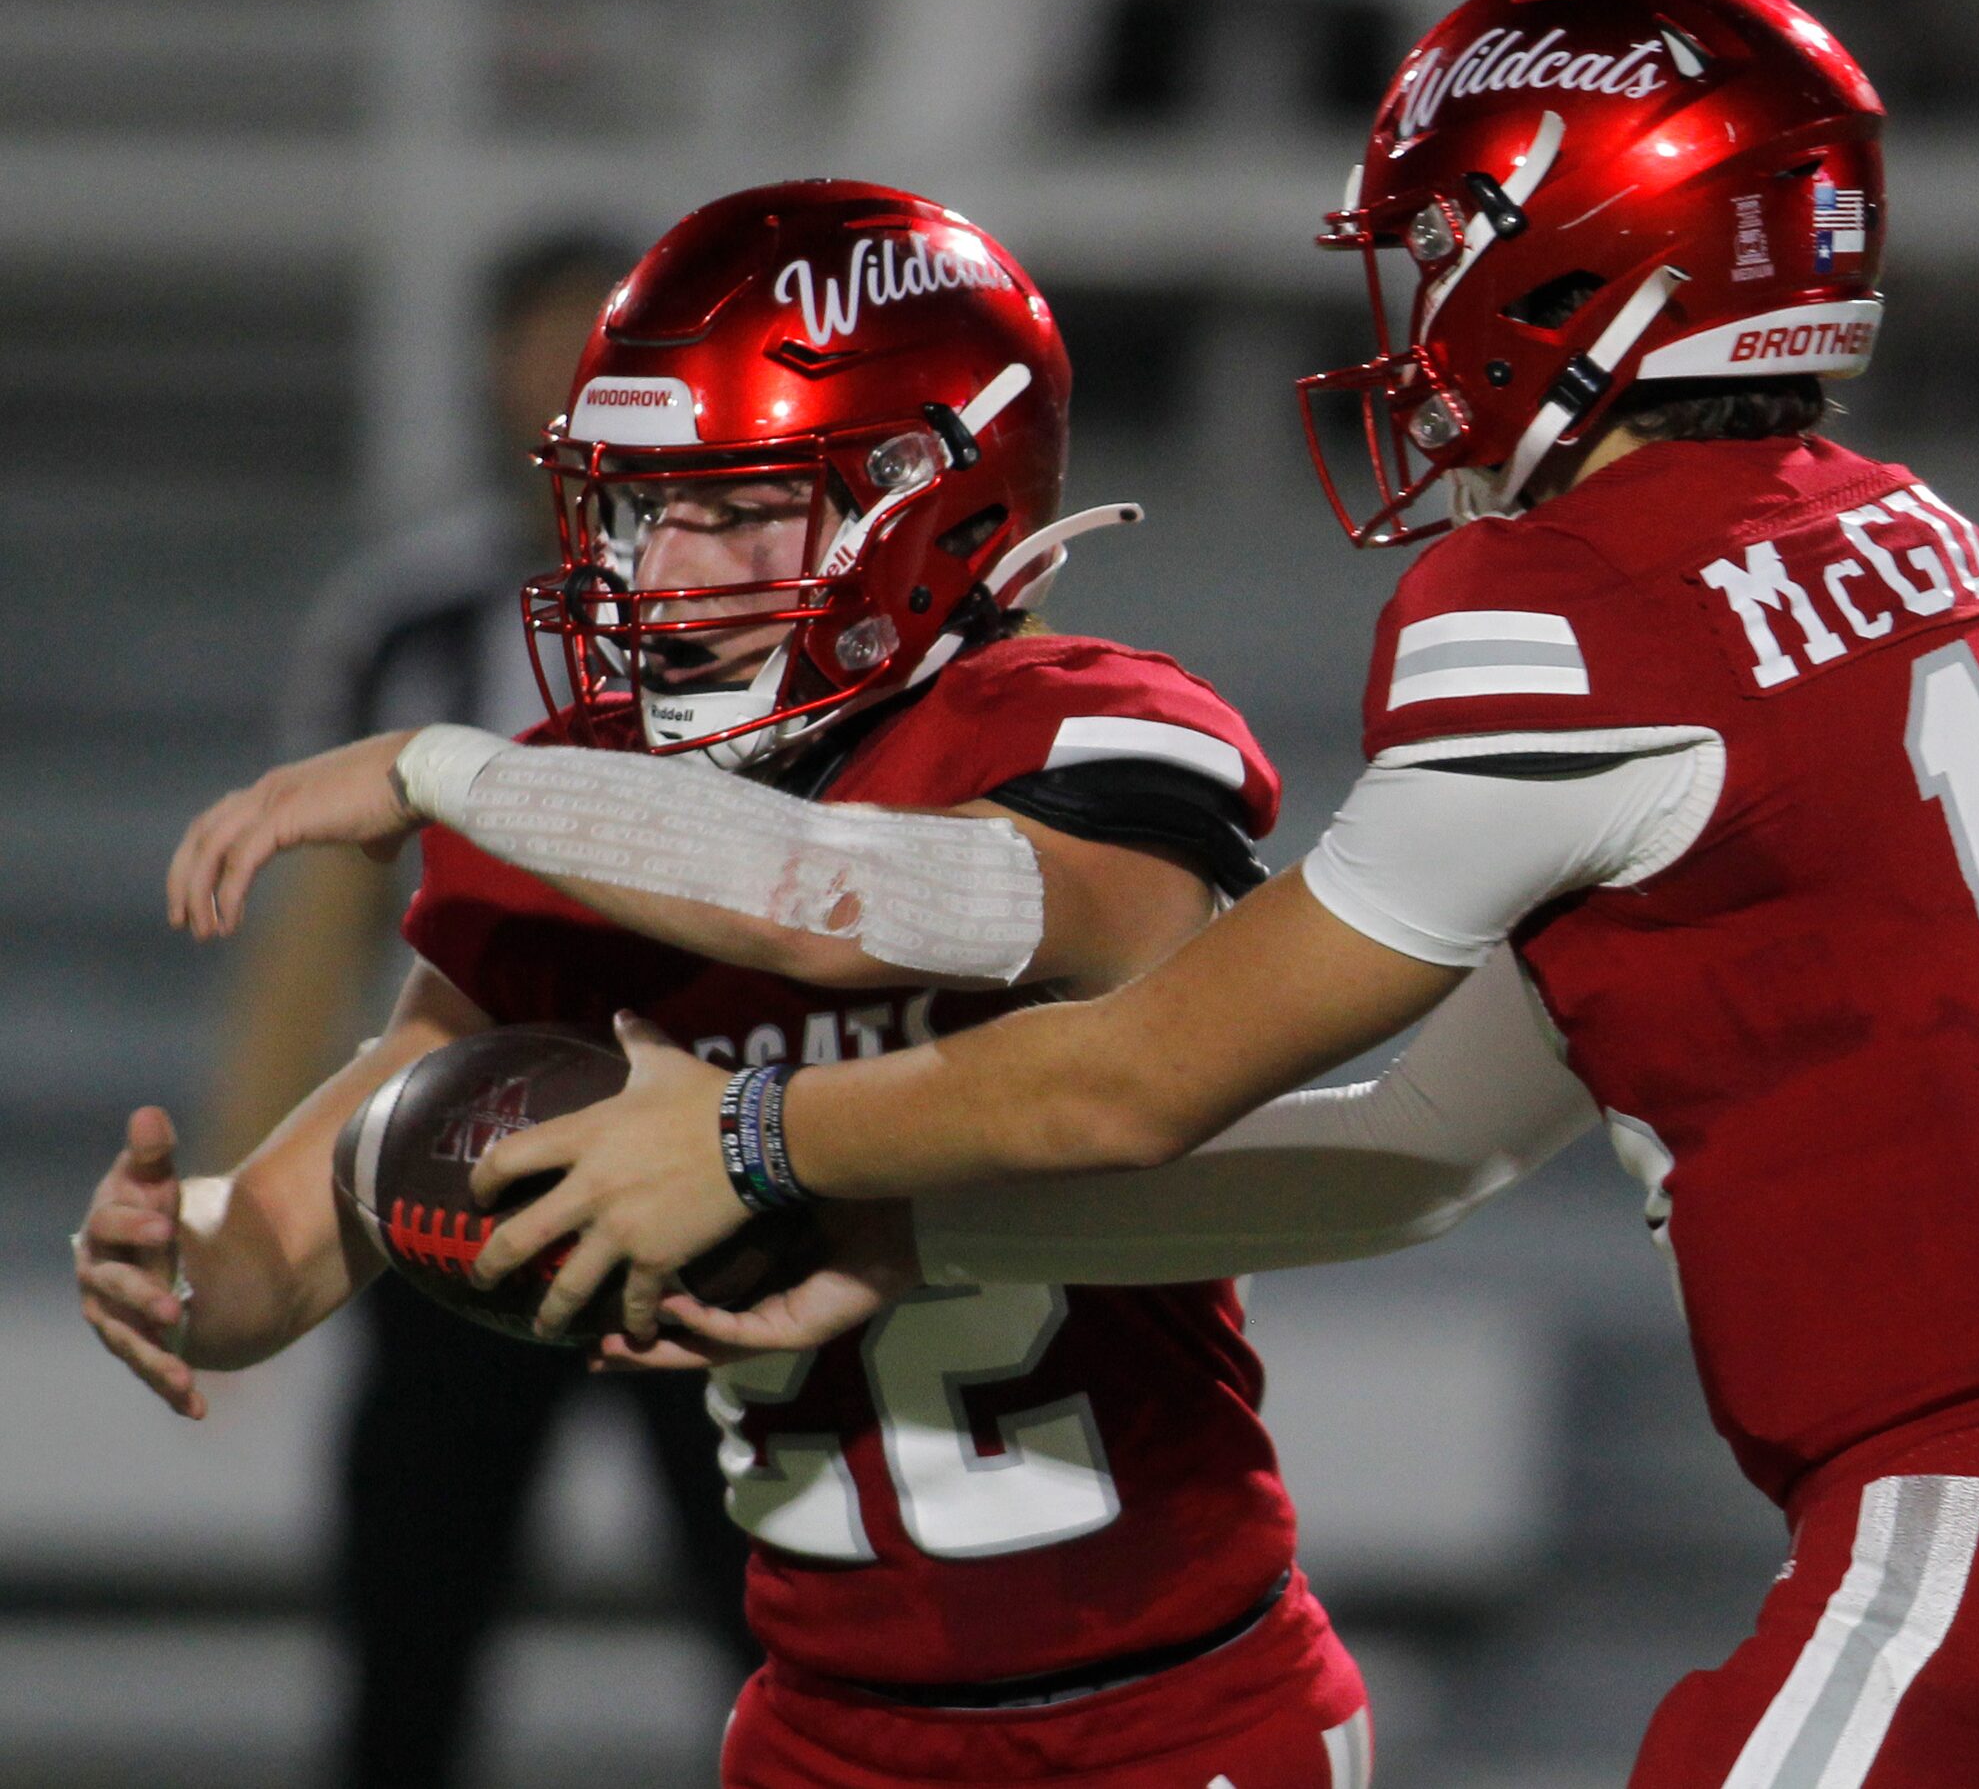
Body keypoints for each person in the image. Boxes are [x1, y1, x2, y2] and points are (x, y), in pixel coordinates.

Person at [217, 0, 1979, 1788]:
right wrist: (916, 1236)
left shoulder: (1563, 610)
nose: (1415, 297)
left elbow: (1139, 1073)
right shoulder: (1901, 536)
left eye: (1454, 236)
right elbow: (1424, 1148)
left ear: (1595, 256)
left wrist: (753, 1133)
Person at [83, 180, 1376, 1788]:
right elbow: (311, 1209)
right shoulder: (580, 802)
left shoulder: (1088, 729)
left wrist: (448, 770)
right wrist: (180, 1259)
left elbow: (851, 906)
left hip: (1162, 1704)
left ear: (930, 498)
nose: (664, 568)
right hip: (819, 1724)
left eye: (738, 503)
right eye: (640, 507)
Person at [202, 228, 758, 1789]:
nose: (577, 383)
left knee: (784, 1624)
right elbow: (312, 939)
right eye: (547, 345)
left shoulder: (759, 603)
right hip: (455, 1183)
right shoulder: (410, 617)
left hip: (689, 1182)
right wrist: (252, 1205)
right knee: (410, 1627)